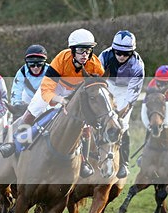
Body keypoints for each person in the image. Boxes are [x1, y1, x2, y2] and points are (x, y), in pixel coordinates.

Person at [11, 28, 105, 177]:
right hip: (56, 88)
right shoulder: (61, 59)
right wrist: (61, 100)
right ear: (73, 50)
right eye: (81, 51)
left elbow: (95, 88)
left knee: (85, 126)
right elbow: (47, 90)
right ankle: (14, 142)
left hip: (78, 91)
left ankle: (84, 160)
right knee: (33, 110)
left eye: (88, 51)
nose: (85, 55)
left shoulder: (96, 65)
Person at [98, 30, 145, 178]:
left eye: (126, 54)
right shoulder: (104, 56)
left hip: (126, 92)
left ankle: (123, 163)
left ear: (132, 52)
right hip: (107, 86)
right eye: (118, 52)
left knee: (122, 125)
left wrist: (122, 111)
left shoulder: (138, 66)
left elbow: (132, 94)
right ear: (113, 49)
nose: (121, 56)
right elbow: (98, 79)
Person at [10, 44, 50, 119]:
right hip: (28, 98)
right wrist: (17, 106)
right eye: (32, 64)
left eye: (39, 64)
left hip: (45, 98)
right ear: (27, 64)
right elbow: (16, 90)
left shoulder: (50, 71)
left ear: (44, 63)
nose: (35, 68)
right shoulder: (22, 72)